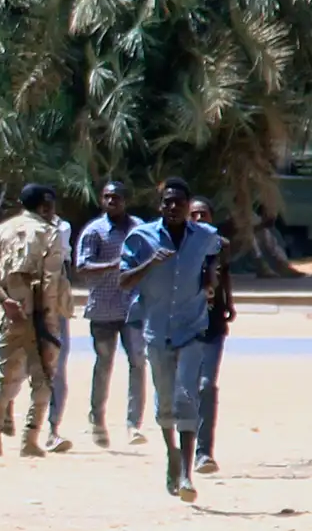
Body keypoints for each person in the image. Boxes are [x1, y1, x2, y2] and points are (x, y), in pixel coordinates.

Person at [119, 177, 220, 502]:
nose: (173, 206)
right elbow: (123, 281)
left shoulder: (204, 236)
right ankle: (172, 457)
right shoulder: (141, 237)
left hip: (191, 331)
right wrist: (151, 262)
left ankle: (188, 474)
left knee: (186, 398)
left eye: (179, 201)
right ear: (159, 205)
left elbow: (220, 250)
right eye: (167, 201)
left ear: (189, 205)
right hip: (157, 332)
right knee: (165, 406)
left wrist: (210, 278)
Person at [0, 184, 64, 457]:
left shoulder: (3, 230)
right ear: (44, 206)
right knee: (43, 378)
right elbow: (51, 279)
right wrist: (49, 317)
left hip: (13, 313)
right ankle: (30, 439)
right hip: (40, 314)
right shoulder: (50, 233)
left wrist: (5, 299)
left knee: (5, 376)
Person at [76, 181, 148, 448]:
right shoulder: (94, 232)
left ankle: (134, 425)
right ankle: (97, 420)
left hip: (133, 308)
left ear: (126, 200)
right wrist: (112, 265)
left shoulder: (139, 229)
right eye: (107, 197)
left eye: (116, 197)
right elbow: (82, 267)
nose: (111, 201)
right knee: (104, 364)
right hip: (103, 308)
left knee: (138, 362)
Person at [2, 213, 75, 453]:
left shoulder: (61, 227)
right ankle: (8, 406)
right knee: (22, 364)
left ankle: (52, 430)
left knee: (56, 370)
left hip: (52, 310)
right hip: (28, 309)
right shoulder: (16, 231)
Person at [189, 196, 235, 475]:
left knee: (207, 385)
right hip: (184, 327)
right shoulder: (180, 246)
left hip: (213, 326)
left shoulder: (221, 246)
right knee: (186, 390)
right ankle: (182, 450)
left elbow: (225, 275)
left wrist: (229, 303)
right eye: (193, 214)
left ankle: (204, 452)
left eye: (203, 214)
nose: (198, 219)